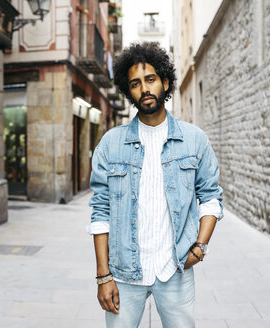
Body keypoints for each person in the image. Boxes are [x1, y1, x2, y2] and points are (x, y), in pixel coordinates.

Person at [87, 41, 223, 328]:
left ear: (165, 82)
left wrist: (200, 247)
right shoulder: (111, 144)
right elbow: (100, 211)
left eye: (150, 80)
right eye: (135, 83)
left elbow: (210, 197)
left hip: (173, 270)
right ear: (129, 91)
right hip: (123, 273)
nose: (144, 89)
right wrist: (103, 276)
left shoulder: (194, 139)